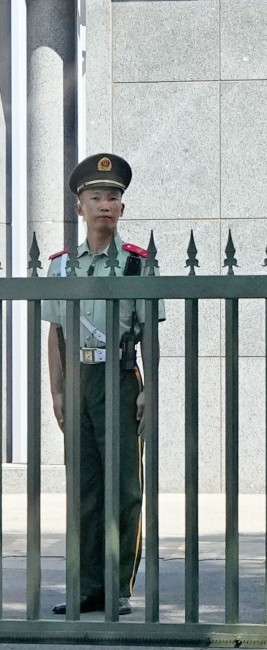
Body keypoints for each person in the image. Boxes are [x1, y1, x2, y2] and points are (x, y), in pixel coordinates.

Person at [43, 153, 164, 616]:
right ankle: (85, 586)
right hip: (78, 378)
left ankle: (117, 587)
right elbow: (55, 333)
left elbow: (150, 332)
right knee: (84, 487)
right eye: (95, 196)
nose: (105, 204)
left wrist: (149, 387)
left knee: (123, 487)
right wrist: (56, 390)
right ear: (80, 207)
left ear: (122, 207)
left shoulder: (138, 266)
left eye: (113, 196)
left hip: (118, 376)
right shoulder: (61, 267)